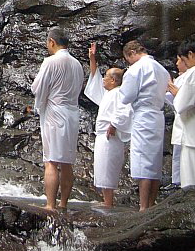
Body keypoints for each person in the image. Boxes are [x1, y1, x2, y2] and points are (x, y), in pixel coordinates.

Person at [31, 27, 84, 211]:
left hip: (55, 112)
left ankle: (50, 204)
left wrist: (39, 104)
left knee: (51, 161)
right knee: (67, 161)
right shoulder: (77, 64)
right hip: (72, 113)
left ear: (52, 42)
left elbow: (38, 87)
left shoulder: (50, 62)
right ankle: (63, 203)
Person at [119, 40, 170, 211]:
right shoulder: (162, 69)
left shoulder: (136, 69)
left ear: (132, 53)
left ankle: (142, 207)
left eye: (128, 59)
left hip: (143, 115)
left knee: (143, 162)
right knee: (155, 161)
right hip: (158, 115)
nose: (129, 63)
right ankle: (151, 204)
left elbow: (126, 96)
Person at [84, 42, 133, 207]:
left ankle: (108, 202)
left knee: (107, 168)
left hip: (110, 135)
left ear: (113, 80)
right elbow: (95, 77)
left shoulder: (119, 93)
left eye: (106, 77)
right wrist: (92, 58)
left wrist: (114, 125)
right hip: (103, 136)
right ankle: (106, 200)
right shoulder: (109, 93)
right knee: (102, 167)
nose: (103, 79)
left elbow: (124, 111)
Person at [172, 38, 195, 188]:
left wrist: (176, 93)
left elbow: (181, 104)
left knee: (189, 183)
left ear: (191, 55)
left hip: (192, 136)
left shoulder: (193, 73)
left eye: (184, 60)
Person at [165, 54, 188, 186]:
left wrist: (175, 92)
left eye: (180, 60)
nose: (177, 63)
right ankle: (177, 182)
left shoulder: (190, 76)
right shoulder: (180, 78)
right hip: (179, 120)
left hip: (188, 120)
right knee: (179, 153)